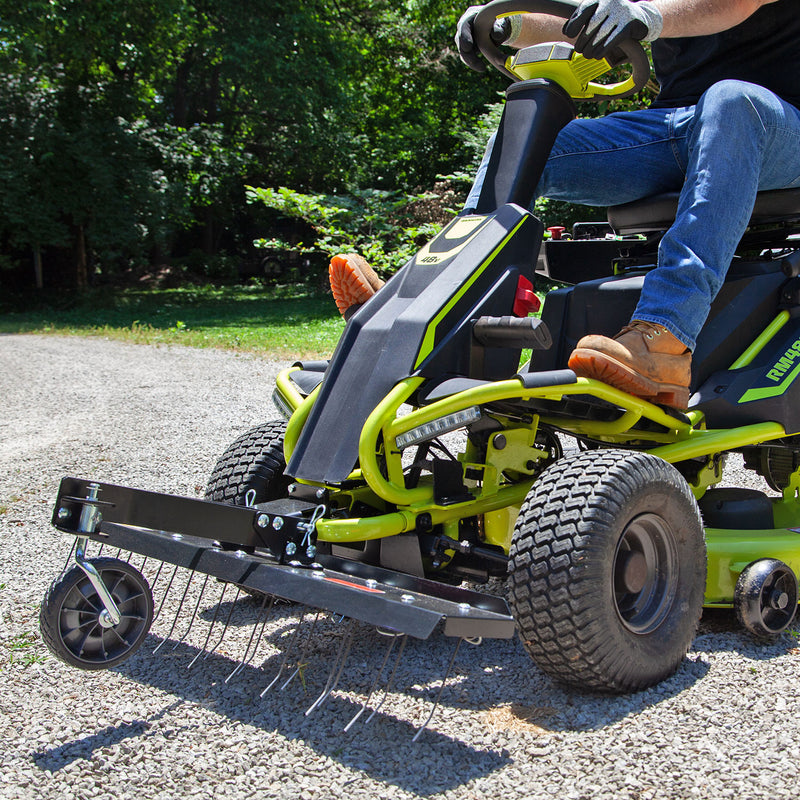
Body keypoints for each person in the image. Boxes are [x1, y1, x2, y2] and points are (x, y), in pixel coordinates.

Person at [329, 0, 800, 409]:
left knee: (731, 99)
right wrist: (507, 26)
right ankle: (433, 306)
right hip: (676, 124)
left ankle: (666, 335)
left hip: (777, 124)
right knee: (528, 141)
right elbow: (577, 19)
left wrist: (644, 16)